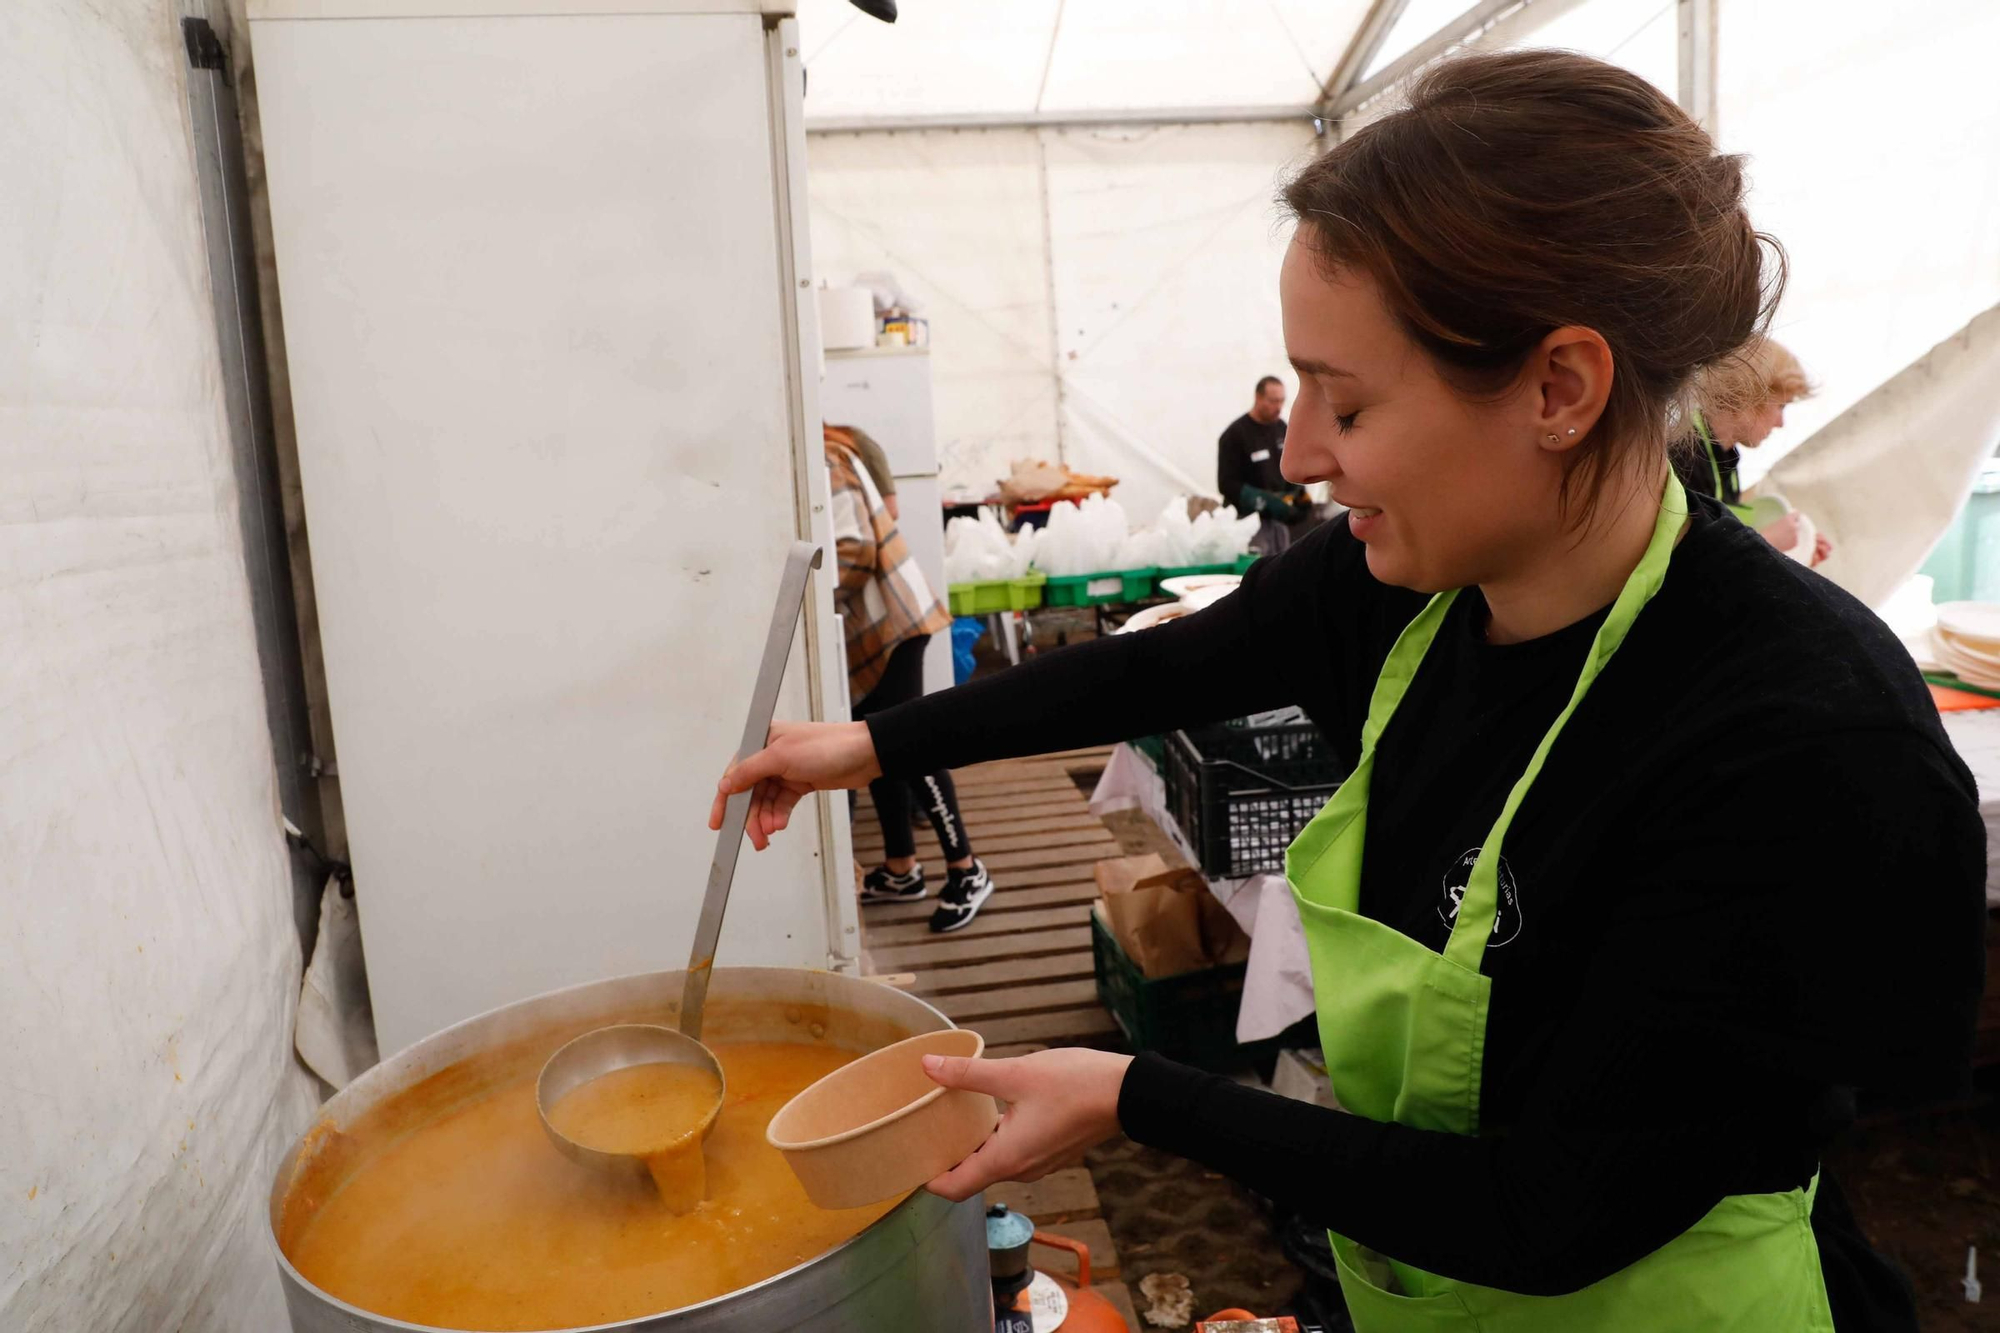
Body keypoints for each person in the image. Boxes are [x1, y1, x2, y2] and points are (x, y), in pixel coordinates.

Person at [728, 56, 1984, 1331]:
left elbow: (1547, 1212)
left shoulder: (1795, 742)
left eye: (1349, 400)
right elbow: (1166, 665)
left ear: (1559, 388)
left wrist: (1136, 1095)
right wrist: (872, 744)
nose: (1302, 455)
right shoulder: (1402, 585)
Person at [823, 426, 997, 932]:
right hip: (873, 631)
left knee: (913, 747)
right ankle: (902, 870)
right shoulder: (831, 449)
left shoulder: (826, 456)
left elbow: (853, 550)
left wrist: (805, 598)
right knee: (875, 749)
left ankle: (968, 870)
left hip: (891, 624)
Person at [1672, 337, 1831, 563]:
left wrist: (1793, 556)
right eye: (1781, 406)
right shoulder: (1685, 455)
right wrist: (1766, 542)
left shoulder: (1723, 460)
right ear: (1749, 393)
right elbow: (1679, 568)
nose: (1780, 422)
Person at [1219, 376, 1312, 555]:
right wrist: (1263, 500)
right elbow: (1226, 484)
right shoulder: (1235, 435)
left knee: (1280, 569)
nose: (1278, 407)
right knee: (1258, 571)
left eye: (1281, 401)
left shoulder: (1282, 429)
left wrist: (1299, 494)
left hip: (1278, 523)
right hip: (1248, 525)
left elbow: (1291, 465)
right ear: (1258, 397)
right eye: (1273, 401)